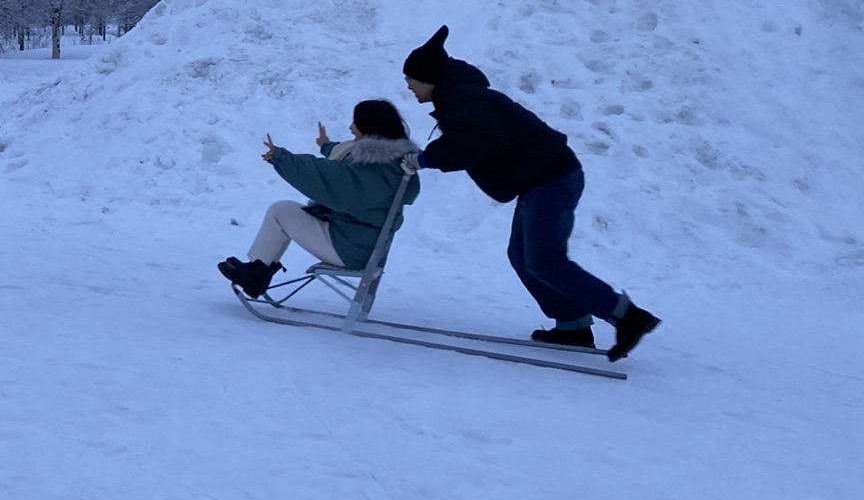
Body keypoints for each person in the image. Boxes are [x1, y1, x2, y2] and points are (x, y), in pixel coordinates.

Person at [401, 25, 660, 361]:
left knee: (544, 259)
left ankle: (628, 316)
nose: (408, 86)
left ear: (428, 78)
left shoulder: (466, 99)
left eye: (411, 79)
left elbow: (475, 142)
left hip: (552, 177)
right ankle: (573, 328)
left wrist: (425, 159)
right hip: (542, 178)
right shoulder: (461, 97)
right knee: (523, 256)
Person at [218, 99, 420, 299]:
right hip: (368, 246)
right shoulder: (393, 164)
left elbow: (327, 176)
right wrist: (325, 145)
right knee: (284, 210)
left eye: (355, 122)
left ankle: (256, 273)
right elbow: (345, 156)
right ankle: (257, 270)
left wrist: (281, 157)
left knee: (281, 212)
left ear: (369, 126)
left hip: (350, 250)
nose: (351, 127)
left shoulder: (369, 170)